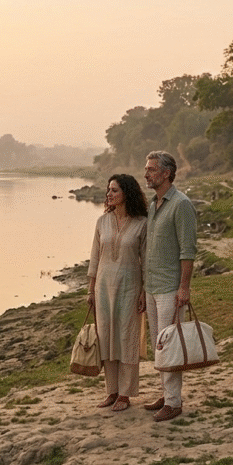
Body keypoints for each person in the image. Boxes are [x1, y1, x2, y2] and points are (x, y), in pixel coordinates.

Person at [142, 150, 197, 422]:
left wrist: (183, 288)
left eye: (151, 169)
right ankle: (165, 394)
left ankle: (174, 403)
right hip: (152, 287)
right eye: (147, 169)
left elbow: (187, 251)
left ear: (166, 173)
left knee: (170, 346)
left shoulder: (181, 204)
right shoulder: (153, 205)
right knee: (158, 345)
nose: (146, 174)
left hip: (170, 289)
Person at [87, 174, 148, 412]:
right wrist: (90, 289)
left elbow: (146, 260)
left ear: (127, 193)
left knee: (127, 338)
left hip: (130, 287)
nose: (109, 194)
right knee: (107, 339)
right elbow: (94, 257)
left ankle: (125, 393)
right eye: (108, 190)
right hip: (103, 287)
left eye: (114, 190)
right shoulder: (102, 222)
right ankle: (111, 391)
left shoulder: (142, 223)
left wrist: (144, 290)